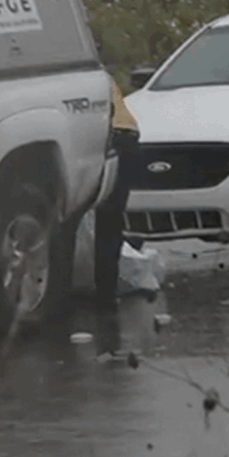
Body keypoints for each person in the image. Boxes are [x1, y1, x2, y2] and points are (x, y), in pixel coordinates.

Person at [94, 72, 141, 310]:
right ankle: (106, 292)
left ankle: (101, 294)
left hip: (109, 137)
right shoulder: (101, 74)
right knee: (110, 220)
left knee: (98, 218)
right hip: (126, 136)